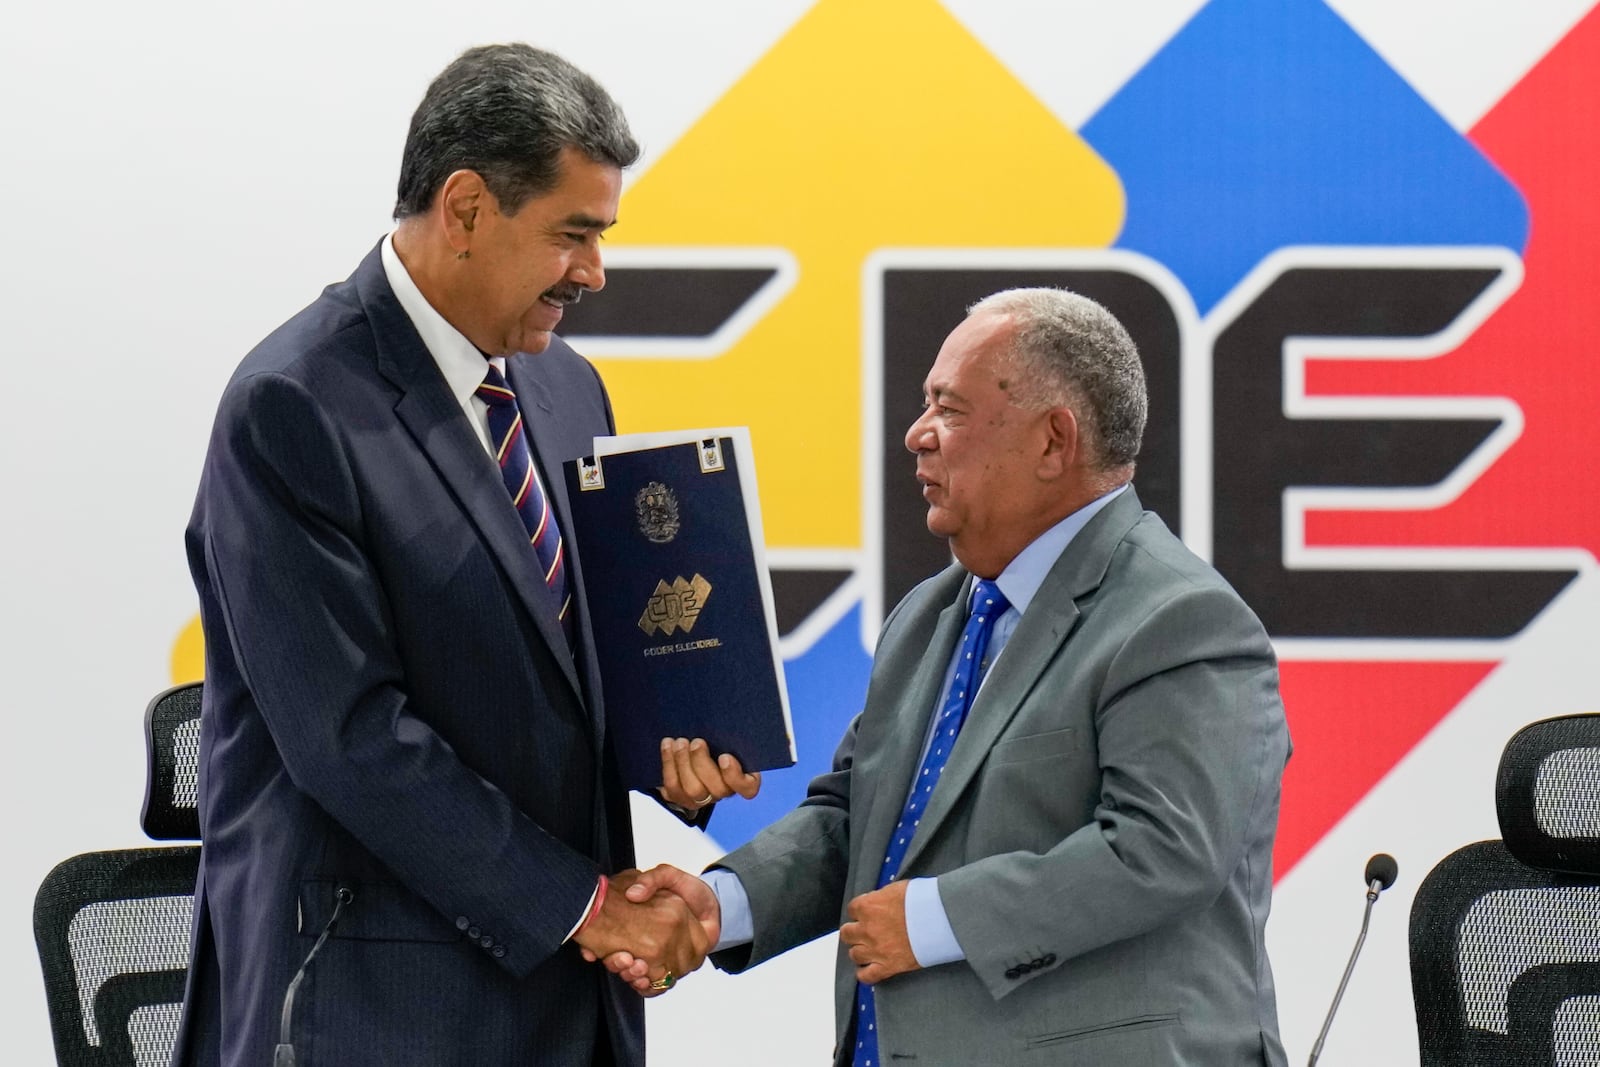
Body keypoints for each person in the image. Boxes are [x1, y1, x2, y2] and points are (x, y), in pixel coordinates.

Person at [173, 43, 755, 1067]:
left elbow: (572, 663)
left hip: (562, 997)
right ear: (468, 207)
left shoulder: (568, 386)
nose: (594, 271)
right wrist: (584, 907)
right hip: (375, 1003)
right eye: (573, 234)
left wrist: (678, 750)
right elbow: (352, 737)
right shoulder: (291, 405)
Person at [615, 288, 1292, 1064]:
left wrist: (936, 918)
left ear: (1052, 440)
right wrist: (719, 905)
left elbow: (1163, 849)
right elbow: (855, 818)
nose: (916, 435)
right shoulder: (931, 614)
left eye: (950, 409)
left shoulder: (1179, 619)